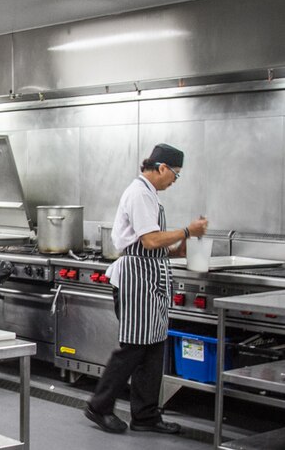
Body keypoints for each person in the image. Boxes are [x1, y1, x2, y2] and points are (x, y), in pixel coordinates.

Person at [85, 144, 208, 435]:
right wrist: (188, 231)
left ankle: (145, 415)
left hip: (150, 278)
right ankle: (99, 406)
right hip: (136, 279)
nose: (174, 182)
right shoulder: (139, 193)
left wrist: (182, 248)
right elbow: (150, 241)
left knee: (153, 348)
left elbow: (156, 245)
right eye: (175, 175)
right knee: (133, 348)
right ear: (162, 167)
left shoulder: (150, 195)